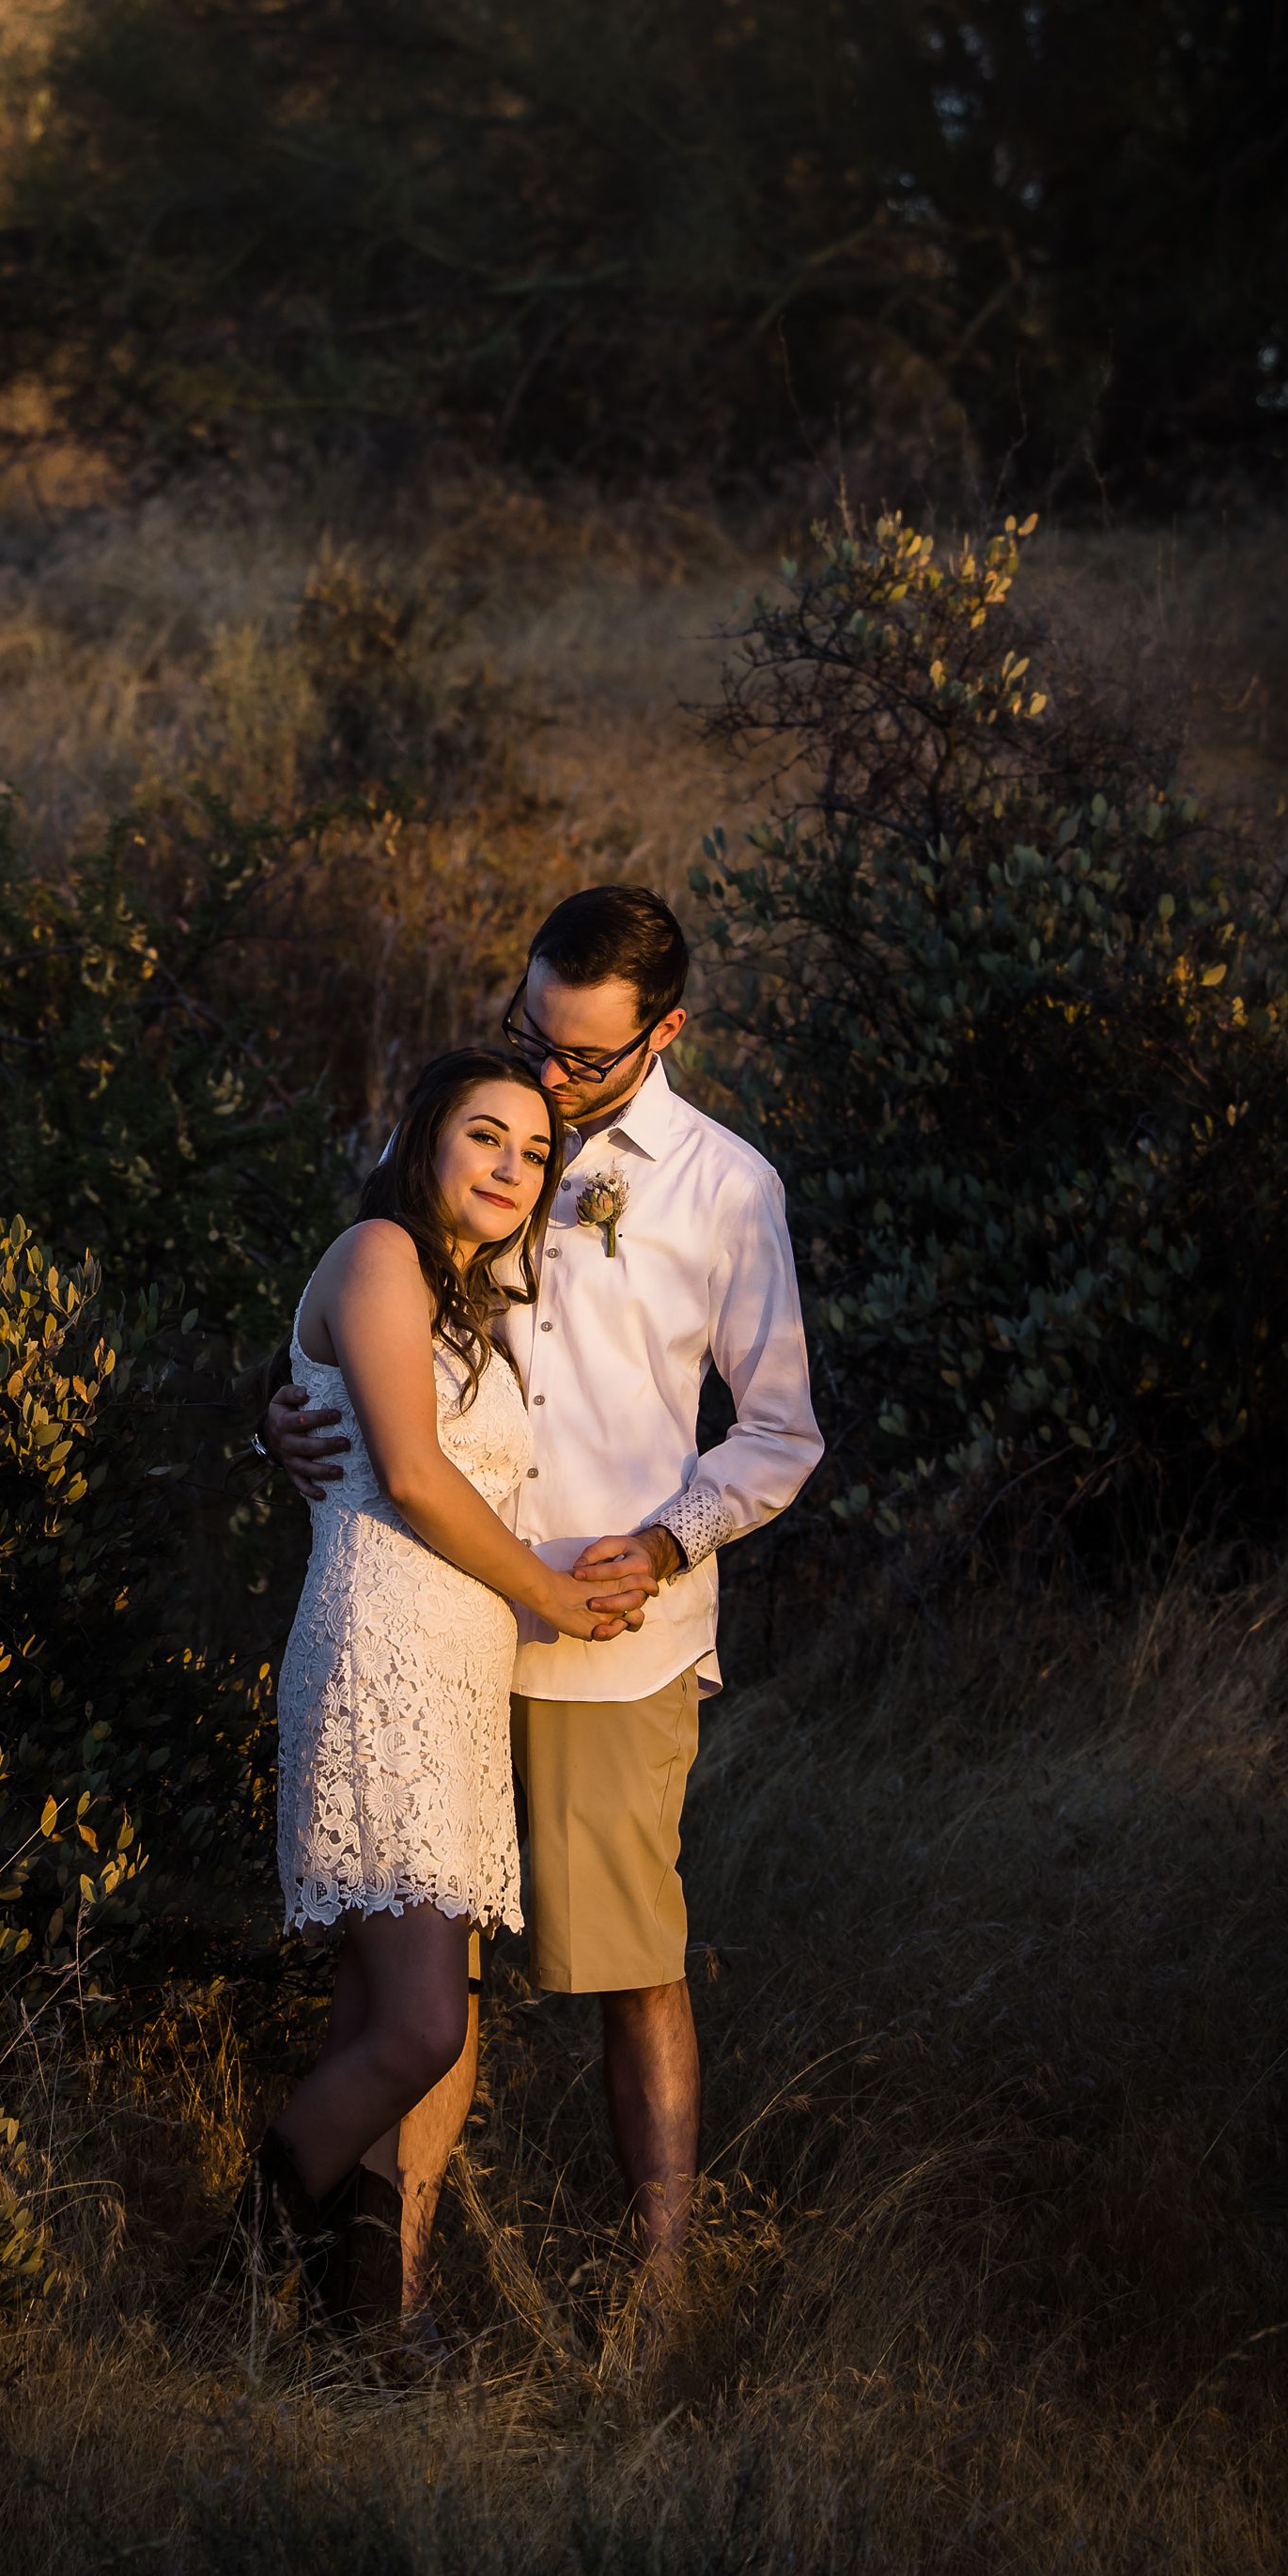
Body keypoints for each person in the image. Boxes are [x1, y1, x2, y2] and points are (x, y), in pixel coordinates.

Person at [264, 886, 823, 2320]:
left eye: (584, 1060)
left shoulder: (722, 1185)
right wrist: (283, 1412)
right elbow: (357, 1310)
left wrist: (669, 1540)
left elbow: (779, 1431)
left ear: (666, 1035)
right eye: (534, 1040)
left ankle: (656, 2299)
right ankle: (376, 2287)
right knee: (411, 1988)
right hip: (429, 1634)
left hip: (605, 1641)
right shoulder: (475, 1131)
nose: (553, 1085)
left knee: (628, 1962)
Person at [237, 1044, 645, 2335]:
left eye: (535, 1153)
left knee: (385, 2011)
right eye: (486, 1137)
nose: (514, 1170)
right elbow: (412, 1476)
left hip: (458, 1675)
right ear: (425, 1140)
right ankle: (232, 2272)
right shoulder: (380, 1258)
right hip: (384, 1657)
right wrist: (550, 1593)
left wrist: (579, 1572)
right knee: (421, 2029)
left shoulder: (466, 1299)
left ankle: (359, 2338)